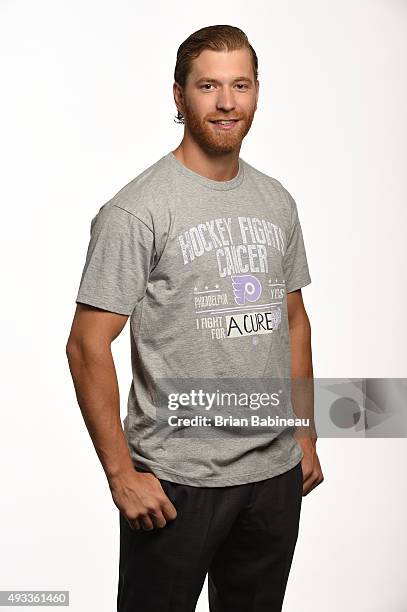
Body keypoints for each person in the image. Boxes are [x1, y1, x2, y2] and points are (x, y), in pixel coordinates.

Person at [66, 24, 324, 612]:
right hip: (177, 481)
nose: (227, 102)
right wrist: (120, 475)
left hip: (272, 476)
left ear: (258, 91)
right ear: (179, 96)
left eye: (241, 85)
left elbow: (294, 321)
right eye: (208, 85)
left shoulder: (276, 200)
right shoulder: (136, 210)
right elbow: (86, 346)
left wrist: (305, 430)